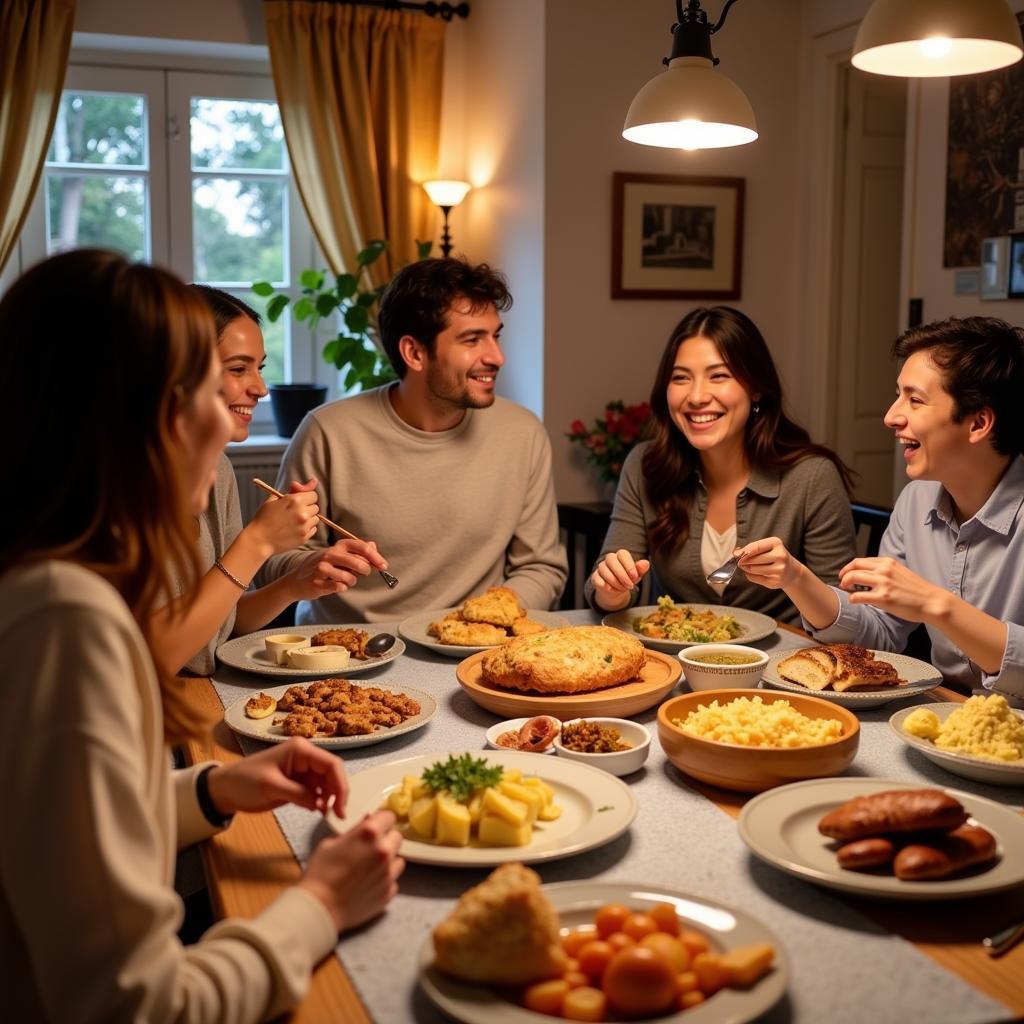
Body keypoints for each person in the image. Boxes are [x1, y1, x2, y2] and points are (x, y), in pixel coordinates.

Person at [0, 250, 404, 1022]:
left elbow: (65, 828)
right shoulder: (67, 622)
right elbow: (140, 1004)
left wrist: (209, 789)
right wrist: (321, 902)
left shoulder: (46, 584)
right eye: (203, 390)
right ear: (125, 413)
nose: (229, 417)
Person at [261, 257, 568, 623]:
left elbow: (541, 568)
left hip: (470, 652)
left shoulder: (523, 433)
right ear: (414, 353)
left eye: (495, 336)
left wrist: (483, 620)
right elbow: (273, 563)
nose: (497, 357)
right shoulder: (328, 431)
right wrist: (314, 564)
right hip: (344, 655)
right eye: (472, 340)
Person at [739, 316, 1024, 703]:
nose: (891, 416)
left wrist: (935, 605)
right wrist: (796, 578)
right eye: (897, 395)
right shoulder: (916, 500)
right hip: (944, 715)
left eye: (915, 400)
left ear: (979, 423)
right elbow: (881, 634)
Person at [152, 287, 385, 675]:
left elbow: (218, 625)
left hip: (196, 695)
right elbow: (153, 659)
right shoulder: (119, 487)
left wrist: (296, 585)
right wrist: (258, 541)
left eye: (260, 368)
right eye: (239, 369)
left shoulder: (219, 467)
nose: (260, 388)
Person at [587, 306, 855, 625]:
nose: (697, 396)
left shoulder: (812, 476)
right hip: (676, 662)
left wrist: (795, 578)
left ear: (755, 388)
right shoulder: (644, 466)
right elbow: (603, 589)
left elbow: (846, 620)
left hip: (786, 665)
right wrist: (611, 589)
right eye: (681, 378)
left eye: (719, 376)